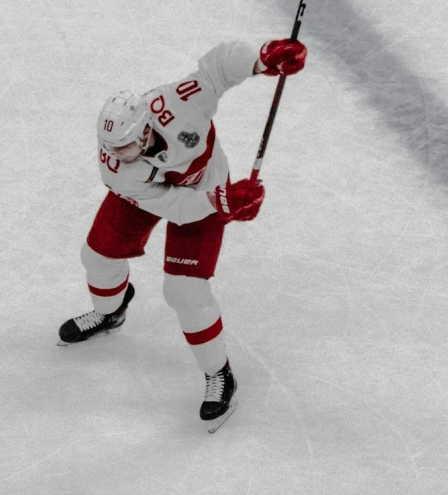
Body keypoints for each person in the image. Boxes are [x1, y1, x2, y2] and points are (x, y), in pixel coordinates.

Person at [58, 36, 308, 429]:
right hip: (164, 197)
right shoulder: (118, 169)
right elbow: (171, 206)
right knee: (98, 256)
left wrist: (262, 60)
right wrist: (222, 203)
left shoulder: (179, 104)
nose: (115, 155)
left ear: (144, 129)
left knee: (185, 293)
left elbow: (218, 67)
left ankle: (219, 375)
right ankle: (110, 313)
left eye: (123, 146)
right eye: (110, 146)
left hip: (207, 191)